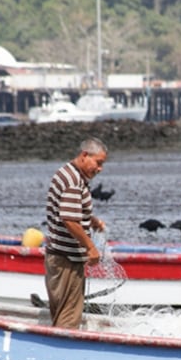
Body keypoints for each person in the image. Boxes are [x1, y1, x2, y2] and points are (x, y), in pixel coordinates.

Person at [44, 137, 109, 328]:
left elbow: (71, 212)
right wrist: (90, 248)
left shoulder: (69, 173)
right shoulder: (73, 181)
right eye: (98, 163)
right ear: (84, 156)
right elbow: (69, 219)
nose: (99, 169)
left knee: (61, 313)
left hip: (59, 257)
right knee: (68, 319)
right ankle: (62, 356)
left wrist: (91, 220)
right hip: (67, 261)